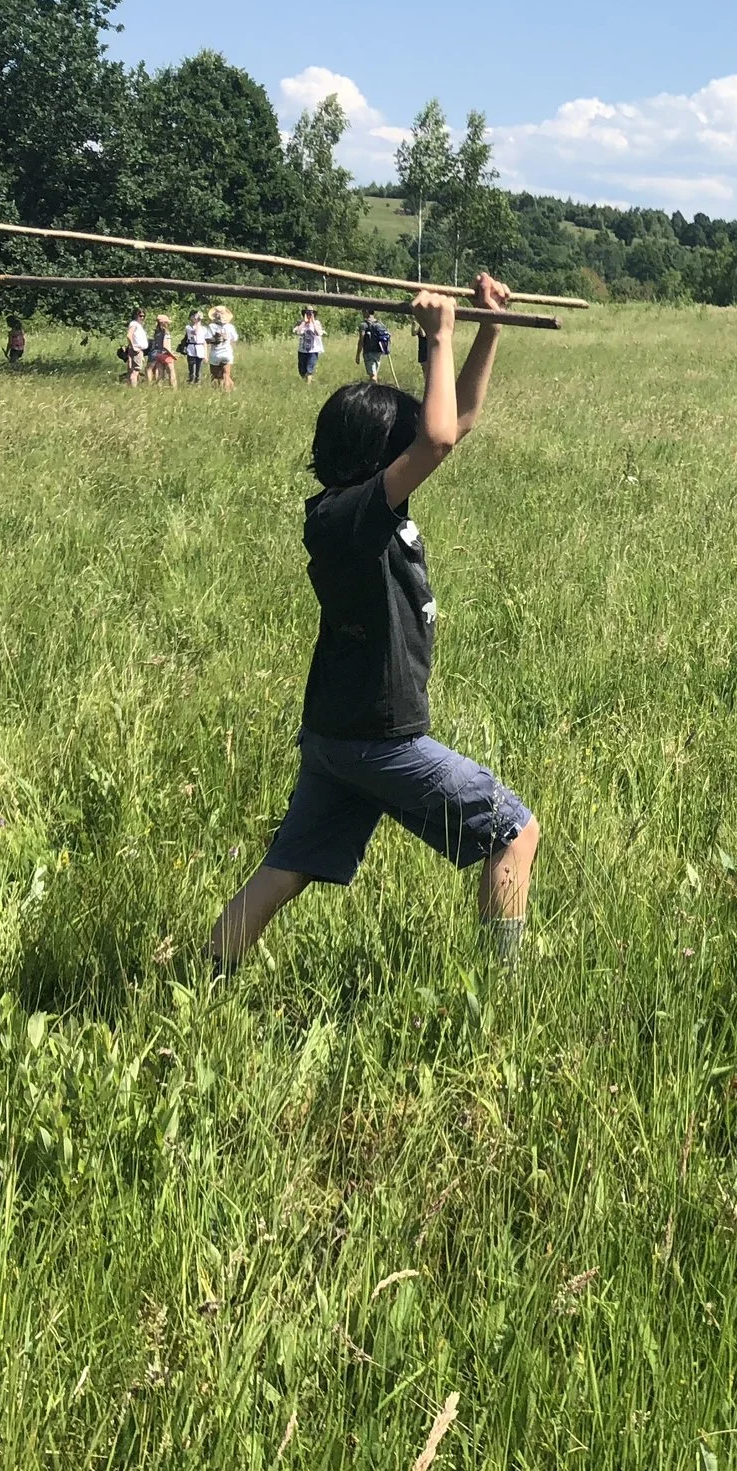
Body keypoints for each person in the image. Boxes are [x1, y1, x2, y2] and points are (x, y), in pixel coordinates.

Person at [206, 274, 541, 972]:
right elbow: (442, 439)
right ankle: (509, 992)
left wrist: (487, 323)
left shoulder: (348, 509)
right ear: (378, 456)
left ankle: (202, 968)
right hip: (376, 739)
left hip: (337, 734)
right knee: (515, 830)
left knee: (287, 866)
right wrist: (437, 336)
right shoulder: (349, 517)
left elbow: (459, 421)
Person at [207, 306, 237, 391]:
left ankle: (216, 392)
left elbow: (208, 339)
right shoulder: (230, 326)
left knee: (215, 376)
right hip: (227, 353)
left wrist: (216, 339)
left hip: (215, 353)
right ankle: (228, 392)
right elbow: (235, 338)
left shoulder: (211, 326)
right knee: (226, 375)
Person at [146, 314, 179, 387]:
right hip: (166, 354)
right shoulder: (166, 332)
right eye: (167, 322)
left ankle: (157, 389)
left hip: (159, 355)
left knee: (160, 374)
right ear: (163, 323)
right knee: (171, 372)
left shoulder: (157, 332)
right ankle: (174, 389)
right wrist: (173, 355)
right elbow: (166, 346)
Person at [358, 309, 392, 382]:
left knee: (373, 375)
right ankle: (374, 388)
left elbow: (361, 339)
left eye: (363, 311)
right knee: (374, 373)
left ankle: (374, 391)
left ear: (367, 311)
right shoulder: (380, 324)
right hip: (378, 352)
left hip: (369, 352)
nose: (362, 313)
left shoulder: (364, 325)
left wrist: (358, 354)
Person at [294, 308, 326, 384]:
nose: (309, 315)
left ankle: (308, 386)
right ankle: (309, 380)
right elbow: (298, 332)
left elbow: (319, 333)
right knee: (302, 370)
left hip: (313, 350)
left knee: (309, 369)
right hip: (302, 350)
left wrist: (313, 322)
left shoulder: (317, 323)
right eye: (307, 313)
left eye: (311, 313)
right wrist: (304, 322)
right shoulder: (300, 322)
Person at [181, 310, 210, 385]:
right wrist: (197, 322)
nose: (195, 318)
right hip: (191, 349)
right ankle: (191, 381)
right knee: (192, 369)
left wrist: (206, 355)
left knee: (199, 370)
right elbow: (195, 332)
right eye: (194, 316)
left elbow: (204, 342)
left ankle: (198, 383)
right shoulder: (188, 327)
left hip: (200, 349)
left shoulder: (204, 329)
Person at [123, 310, 149, 387]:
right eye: (140, 316)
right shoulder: (134, 324)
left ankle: (130, 386)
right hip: (136, 349)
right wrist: (133, 346)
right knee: (135, 371)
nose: (142, 318)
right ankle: (133, 388)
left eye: (143, 316)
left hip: (138, 350)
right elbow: (129, 335)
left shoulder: (137, 325)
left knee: (132, 370)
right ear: (135, 315)